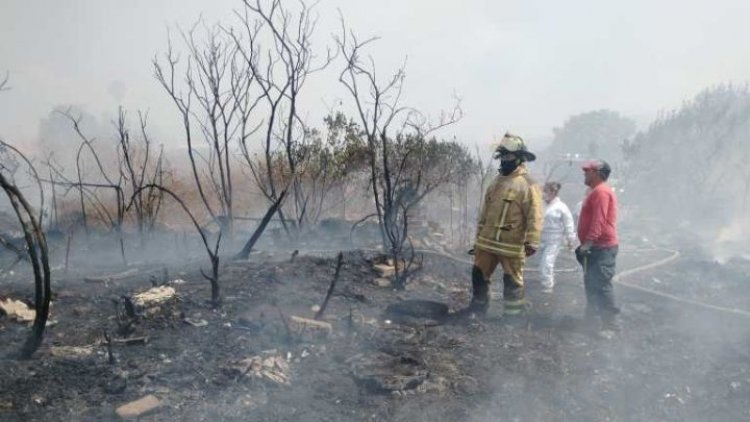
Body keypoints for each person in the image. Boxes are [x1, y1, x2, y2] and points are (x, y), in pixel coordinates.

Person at [468, 132, 543, 317]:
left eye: (508, 156)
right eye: (502, 156)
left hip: (511, 244)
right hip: (486, 243)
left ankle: (512, 317)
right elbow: (485, 213)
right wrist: (477, 240)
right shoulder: (496, 181)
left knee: (512, 282)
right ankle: (478, 310)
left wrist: (532, 240)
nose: (504, 160)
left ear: (519, 158)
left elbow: (536, 214)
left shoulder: (528, 184)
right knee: (478, 276)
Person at [575, 159, 620, 335]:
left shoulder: (601, 192)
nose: (585, 173)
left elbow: (599, 220)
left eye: (588, 171)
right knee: (591, 284)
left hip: (601, 247)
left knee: (601, 285)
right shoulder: (596, 191)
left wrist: (589, 242)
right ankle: (591, 322)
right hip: (596, 247)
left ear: (597, 174)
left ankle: (611, 326)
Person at [538, 182, 577, 293]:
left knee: (547, 262)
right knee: (541, 262)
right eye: (543, 191)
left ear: (553, 192)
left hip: (554, 239)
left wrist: (570, 240)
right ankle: (545, 281)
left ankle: (548, 285)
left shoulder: (561, 207)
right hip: (540, 237)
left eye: (546, 191)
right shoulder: (541, 205)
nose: (543, 193)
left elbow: (568, 224)